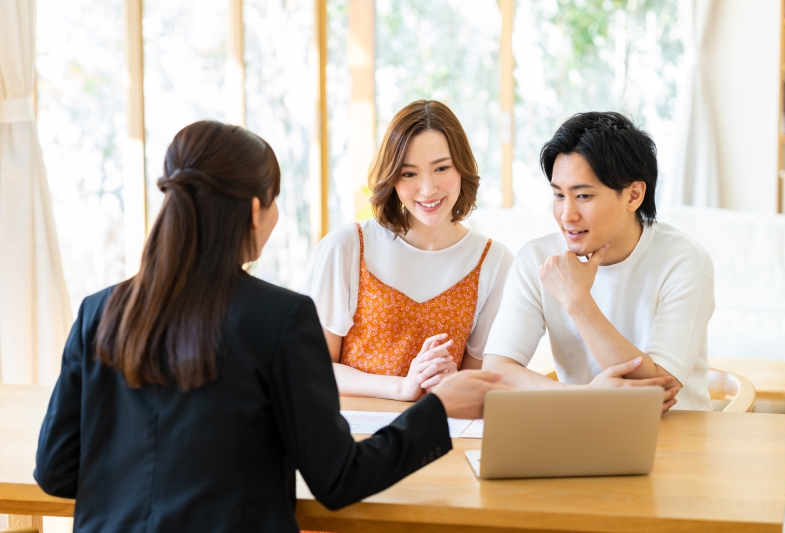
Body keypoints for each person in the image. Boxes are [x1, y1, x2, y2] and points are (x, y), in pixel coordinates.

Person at [34, 121, 507, 533]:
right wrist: (438, 408)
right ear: (256, 209)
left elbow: (55, 471)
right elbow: (339, 479)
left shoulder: (98, 314)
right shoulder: (277, 320)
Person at [483, 111, 714, 411]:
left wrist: (577, 299)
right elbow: (495, 373)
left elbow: (657, 394)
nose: (567, 215)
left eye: (583, 196)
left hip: (676, 436)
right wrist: (584, 397)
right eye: (558, 195)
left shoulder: (684, 262)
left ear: (633, 195)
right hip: (579, 432)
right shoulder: (537, 260)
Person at [303, 100, 514, 402]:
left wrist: (452, 381)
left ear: (463, 168)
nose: (427, 189)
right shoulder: (347, 247)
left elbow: (478, 383)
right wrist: (402, 387)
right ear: (392, 177)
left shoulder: (494, 262)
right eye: (409, 173)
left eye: (442, 168)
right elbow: (313, 368)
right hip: (354, 437)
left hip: (439, 436)